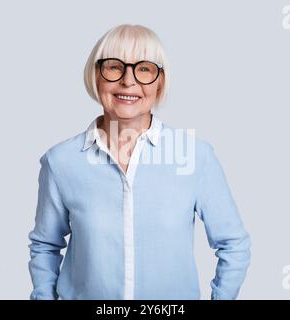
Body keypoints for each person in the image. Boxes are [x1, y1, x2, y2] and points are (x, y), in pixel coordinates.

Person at [28, 24, 251, 300]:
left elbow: (234, 245)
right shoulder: (61, 162)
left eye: (144, 69)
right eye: (114, 67)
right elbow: (45, 246)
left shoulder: (195, 156)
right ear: (96, 76)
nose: (128, 81)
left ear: (160, 82)